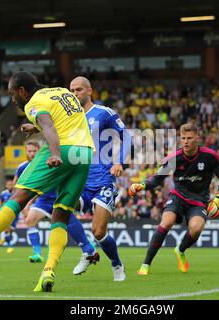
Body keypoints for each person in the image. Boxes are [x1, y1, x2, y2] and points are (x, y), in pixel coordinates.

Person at [0, 71, 94, 293]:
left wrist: (54, 152)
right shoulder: (61, 91)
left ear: (22, 91)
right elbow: (65, 120)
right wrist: (34, 127)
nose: (12, 100)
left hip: (63, 149)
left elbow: (49, 125)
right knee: (61, 214)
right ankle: (48, 272)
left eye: (12, 94)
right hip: (84, 154)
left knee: (18, 197)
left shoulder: (33, 103)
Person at [129, 123, 219, 275]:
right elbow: (156, 180)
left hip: (199, 201)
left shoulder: (210, 156)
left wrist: (218, 199)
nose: (186, 141)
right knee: (166, 221)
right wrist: (141, 185)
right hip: (178, 197)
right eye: (183, 138)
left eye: (189, 138)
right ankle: (145, 265)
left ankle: (180, 250)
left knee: (196, 228)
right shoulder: (173, 158)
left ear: (197, 138)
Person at [70, 76, 131, 281]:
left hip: (104, 179)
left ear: (89, 91)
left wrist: (119, 162)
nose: (74, 94)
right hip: (81, 180)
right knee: (60, 210)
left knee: (98, 231)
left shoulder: (104, 113)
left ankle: (116, 264)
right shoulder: (69, 117)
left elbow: (127, 136)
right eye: (71, 90)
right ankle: (88, 251)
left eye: (78, 90)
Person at [15, 140, 98, 264]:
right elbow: (18, 186)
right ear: (26, 153)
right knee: (30, 220)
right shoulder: (22, 167)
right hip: (43, 200)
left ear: (39, 150)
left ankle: (87, 247)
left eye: (34, 151)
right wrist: (27, 202)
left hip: (59, 197)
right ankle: (37, 253)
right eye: (29, 151)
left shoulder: (52, 159)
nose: (32, 153)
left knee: (68, 223)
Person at [0, 179, 17, 253]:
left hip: (15, 214)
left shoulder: (16, 192)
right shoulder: (3, 193)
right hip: (7, 213)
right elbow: (0, 202)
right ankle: (10, 246)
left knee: (10, 230)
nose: (10, 186)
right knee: (7, 229)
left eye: (11, 184)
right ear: (6, 185)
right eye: (9, 184)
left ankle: (4, 238)